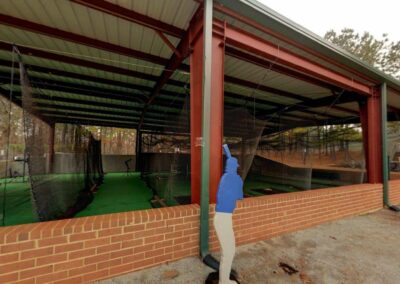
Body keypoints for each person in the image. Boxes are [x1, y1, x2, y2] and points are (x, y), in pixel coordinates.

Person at [214, 144, 244, 284]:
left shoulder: (225, 177)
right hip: (223, 220)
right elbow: (239, 196)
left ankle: (223, 280)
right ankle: (223, 281)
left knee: (227, 251)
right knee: (229, 251)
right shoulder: (235, 180)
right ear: (234, 167)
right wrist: (238, 179)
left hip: (221, 218)